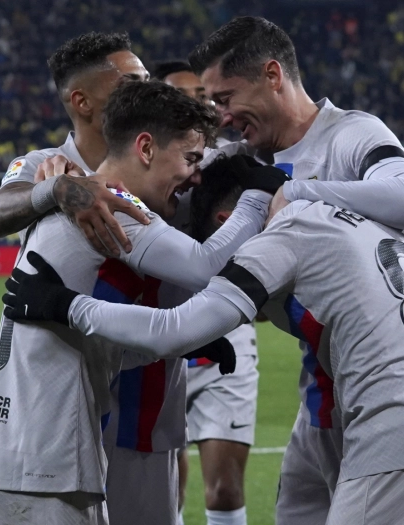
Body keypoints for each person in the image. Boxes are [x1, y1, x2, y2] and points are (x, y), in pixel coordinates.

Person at [3, 173, 404, 525]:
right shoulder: (375, 216)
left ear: (229, 220)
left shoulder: (282, 233)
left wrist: (64, 304)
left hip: (400, 444)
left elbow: (173, 329)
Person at [0, 79, 281, 525]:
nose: (194, 175)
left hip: (31, 462)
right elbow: (205, 266)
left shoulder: (82, 196)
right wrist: (259, 194)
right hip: (43, 470)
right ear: (146, 148)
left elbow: (92, 347)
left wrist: (182, 346)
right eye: (191, 159)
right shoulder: (110, 203)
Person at [187, 16, 404, 525]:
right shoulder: (244, 158)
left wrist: (299, 190)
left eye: (226, 98)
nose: (221, 117)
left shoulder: (350, 134)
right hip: (322, 397)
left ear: (272, 75)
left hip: (388, 401)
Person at [156, 59, 262, 525]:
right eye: (181, 96)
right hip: (161, 341)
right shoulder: (143, 178)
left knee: (224, 488)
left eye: (202, 96)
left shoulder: (232, 165)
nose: (196, 104)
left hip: (226, 339)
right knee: (165, 487)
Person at [0, 32, 150, 257]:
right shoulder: (42, 165)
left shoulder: (169, 164)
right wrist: (54, 189)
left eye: (148, 81)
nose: (149, 93)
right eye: (130, 84)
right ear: (83, 102)